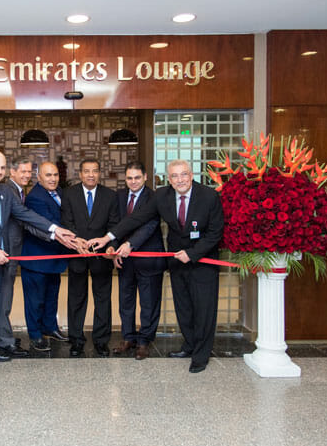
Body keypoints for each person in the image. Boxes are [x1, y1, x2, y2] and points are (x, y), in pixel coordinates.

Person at [88, 159, 224, 373]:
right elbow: (137, 219)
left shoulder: (209, 196)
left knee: (203, 311)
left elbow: (216, 232)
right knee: (184, 309)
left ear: (191, 174)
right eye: (175, 176)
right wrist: (107, 238)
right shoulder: (162, 196)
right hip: (177, 261)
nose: (180, 180)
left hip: (202, 262)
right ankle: (188, 346)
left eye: (184, 174)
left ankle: (201, 355)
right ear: (169, 179)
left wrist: (193, 253)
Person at [0, 151, 75, 378]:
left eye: (2, 168)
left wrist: (55, 229)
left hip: (1, 263)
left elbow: (25, 214)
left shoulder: (5, 192)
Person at [60, 158, 119, 357]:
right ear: (80, 174)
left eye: (95, 171)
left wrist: (110, 246)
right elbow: (66, 221)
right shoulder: (69, 194)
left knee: (103, 299)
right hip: (77, 254)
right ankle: (76, 340)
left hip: (101, 257)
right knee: (76, 299)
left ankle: (101, 341)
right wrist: (77, 241)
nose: (91, 175)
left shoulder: (110, 196)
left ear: (100, 173)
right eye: (87, 171)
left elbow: (114, 225)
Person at [107, 162, 165, 360]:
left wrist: (130, 244)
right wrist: (114, 249)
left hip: (148, 258)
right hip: (124, 260)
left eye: (137, 178)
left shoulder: (155, 198)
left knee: (149, 303)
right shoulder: (119, 197)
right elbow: (115, 225)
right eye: (130, 178)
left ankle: (144, 341)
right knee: (126, 301)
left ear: (145, 177)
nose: (133, 182)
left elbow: (150, 226)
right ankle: (128, 338)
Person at [0, 156, 45, 359]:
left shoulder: (18, 190)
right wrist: (54, 233)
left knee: (4, 299)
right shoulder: (9, 190)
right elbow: (24, 218)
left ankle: (2, 336)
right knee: (3, 301)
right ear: (12, 172)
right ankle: (4, 342)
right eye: (22, 171)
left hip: (12, 252)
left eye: (29, 171)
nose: (26, 175)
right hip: (5, 252)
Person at [19, 162, 70, 352]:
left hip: (55, 257)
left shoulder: (60, 193)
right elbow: (52, 223)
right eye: (48, 175)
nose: (53, 179)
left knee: (51, 297)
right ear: (38, 177)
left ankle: (50, 327)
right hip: (37, 258)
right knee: (35, 300)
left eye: (55, 175)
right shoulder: (35, 198)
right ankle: (35, 334)